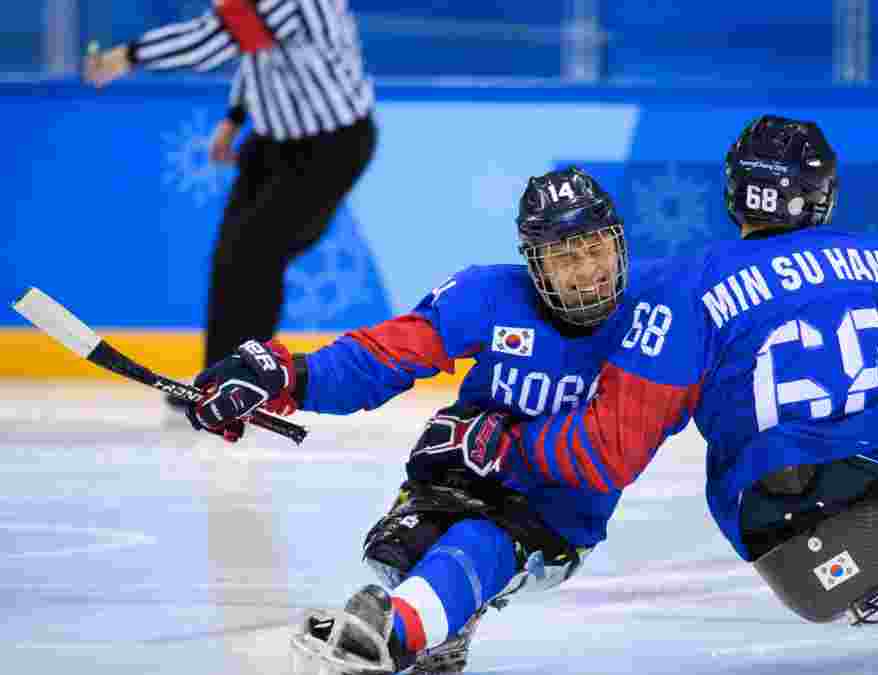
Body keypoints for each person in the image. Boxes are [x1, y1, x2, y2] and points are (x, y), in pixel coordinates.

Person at [464, 116, 878, 673]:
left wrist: (521, 432)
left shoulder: (692, 280)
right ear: (818, 193)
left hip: (764, 506)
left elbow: (628, 395)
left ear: (736, 193)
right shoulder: (869, 256)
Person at [181, 167, 667, 674]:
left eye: (595, 247)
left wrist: (509, 447)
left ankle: (385, 638)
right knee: (395, 550)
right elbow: (386, 356)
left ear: (619, 243)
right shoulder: (487, 294)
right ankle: (442, 632)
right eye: (565, 255)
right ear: (535, 262)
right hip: (470, 480)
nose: (587, 269)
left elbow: (625, 442)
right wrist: (287, 376)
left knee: (480, 544)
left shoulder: (658, 318)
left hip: (559, 510)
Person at [83, 0, 378, 411]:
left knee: (255, 255)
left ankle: (253, 380)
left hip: (331, 145)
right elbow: (257, 51)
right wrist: (235, 118)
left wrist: (127, 56)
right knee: (233, 258)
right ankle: (219, 377)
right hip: (275, 140)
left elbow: (209, 41)